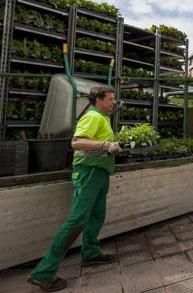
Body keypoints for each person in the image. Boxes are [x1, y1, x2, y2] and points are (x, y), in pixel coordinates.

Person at [29, 87, 123, 292]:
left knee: (96, 216)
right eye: (110, 99)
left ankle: (91, 253)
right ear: (98, 100)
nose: (114, 102)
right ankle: (43, 272)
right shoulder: (93, 116)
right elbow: (77, 142)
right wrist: (105, 145)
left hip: (99, 173)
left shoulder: (103, 117)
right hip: (88, 174)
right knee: (77, 220)